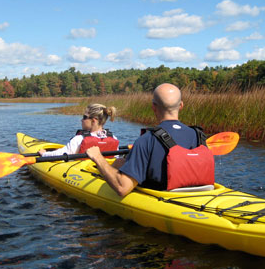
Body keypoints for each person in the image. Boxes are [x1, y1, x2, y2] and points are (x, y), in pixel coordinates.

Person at [86, 83, 214, 197]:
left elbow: (122, 188)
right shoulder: (198, 136)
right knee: (121, 162)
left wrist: (98, 158)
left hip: (166, 201)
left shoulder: (147, 140)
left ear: (153, 107)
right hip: (202, 196)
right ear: (181, 106)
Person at [39, 103, 119, 157]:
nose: (81, 120)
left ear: (94, 120)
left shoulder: (79, 139)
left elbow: (61, 154)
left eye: (84, 117)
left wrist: (44, 154)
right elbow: (116, 158)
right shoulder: (113, 138)